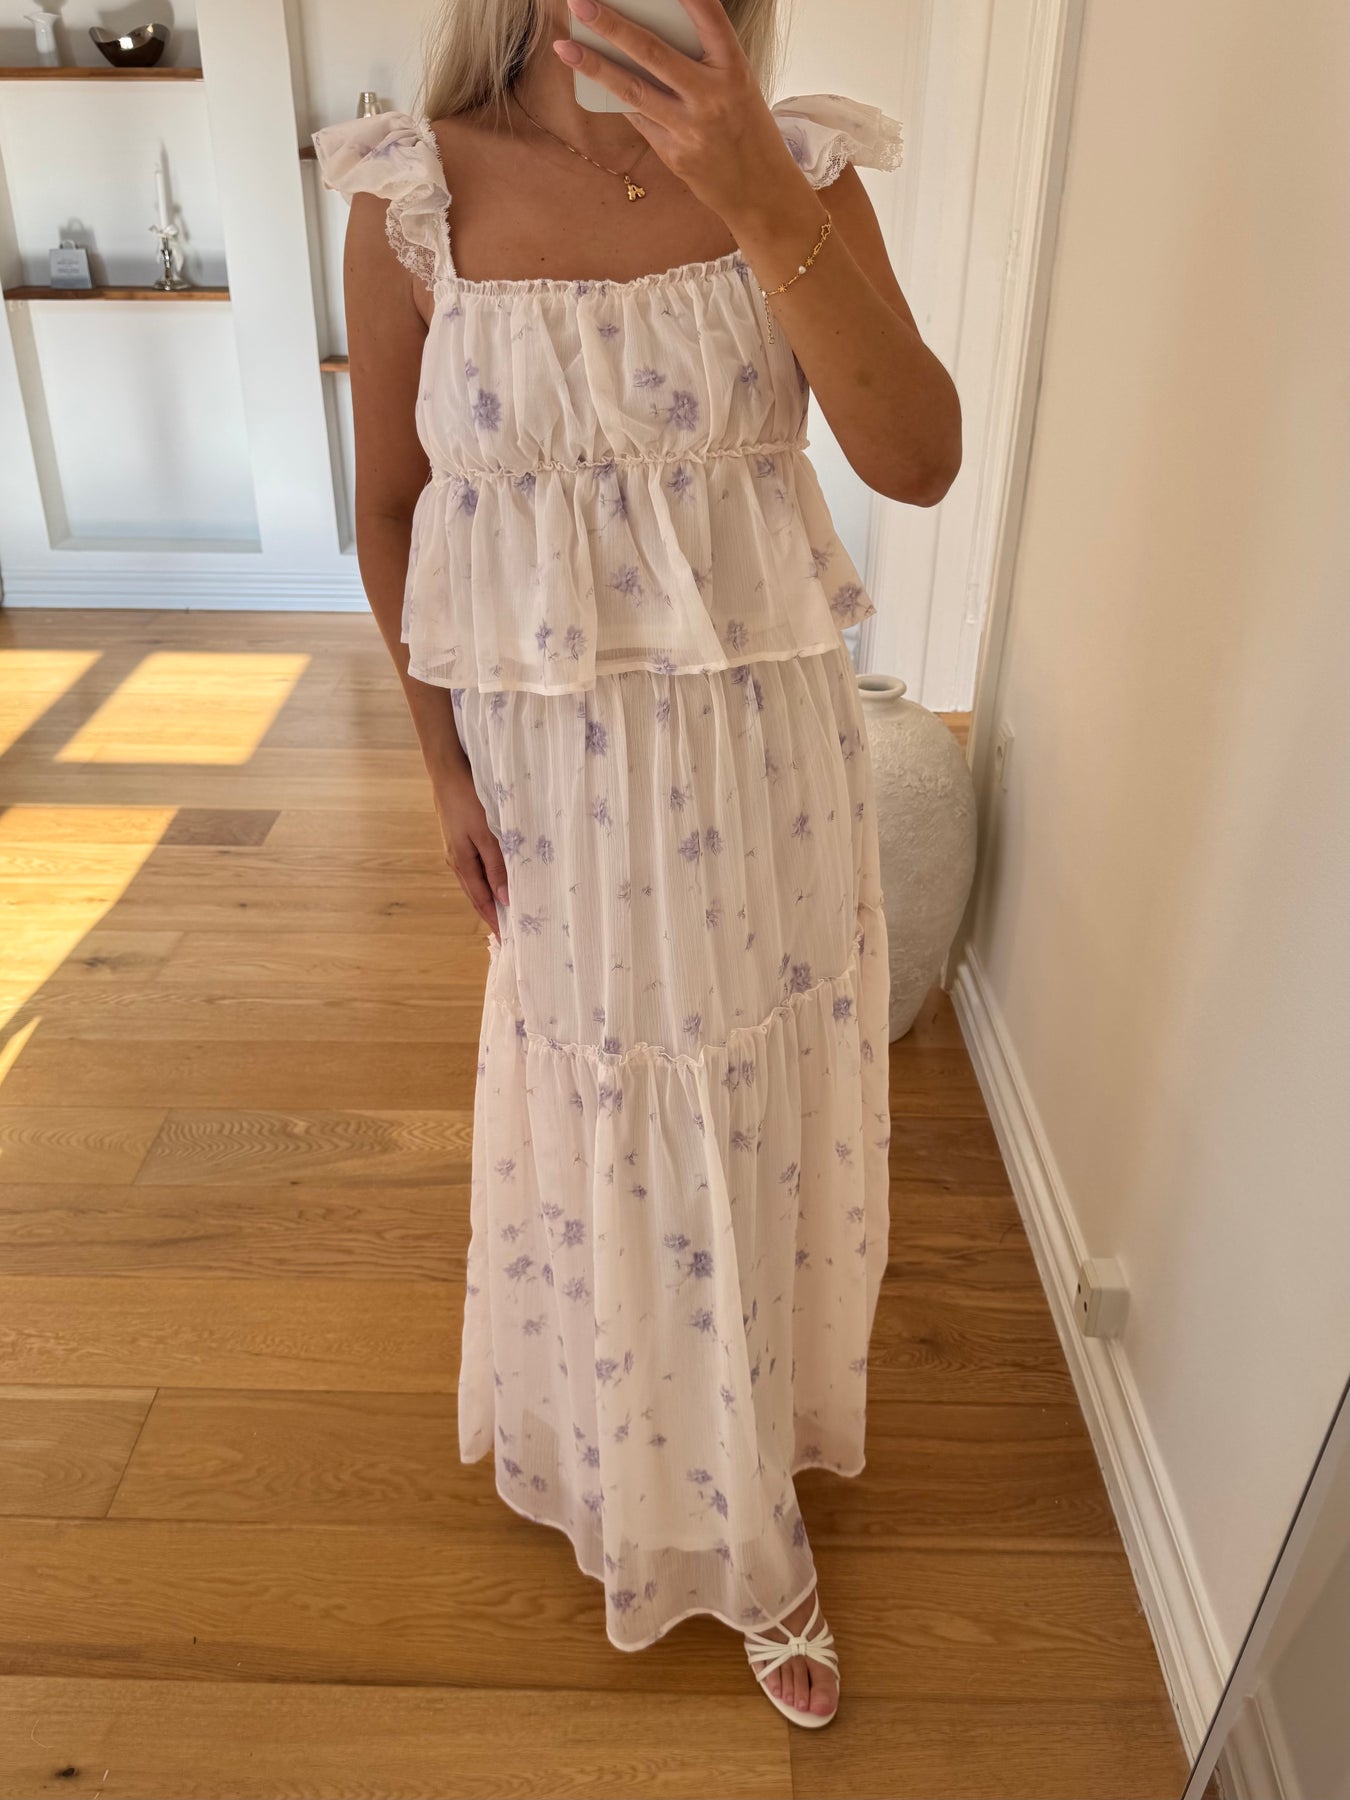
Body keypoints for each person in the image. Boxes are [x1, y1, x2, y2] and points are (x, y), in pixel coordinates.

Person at [313, 0, 960, 1729]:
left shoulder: (797, 167)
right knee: (606, 1085)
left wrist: (754, 194)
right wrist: (437, 761)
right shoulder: (412, 198)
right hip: (555, 773)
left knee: (748, 1098)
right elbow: (391, 507)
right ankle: (639, 1454)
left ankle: (744, 1489)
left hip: (764, 759)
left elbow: (916, 459)